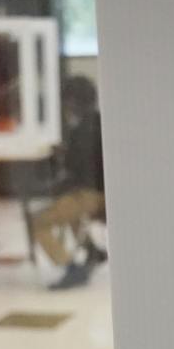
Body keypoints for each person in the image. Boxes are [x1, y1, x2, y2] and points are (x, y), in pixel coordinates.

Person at [31, 75, 106, 290]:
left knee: (39, 223)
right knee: (68, 208)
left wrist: (60, 156)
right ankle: (91, 249)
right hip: (101, 193)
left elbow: (73, 169)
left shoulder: (80, 130)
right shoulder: (100, 121)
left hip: (90, 195)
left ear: (72, 102)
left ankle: (70, 268)